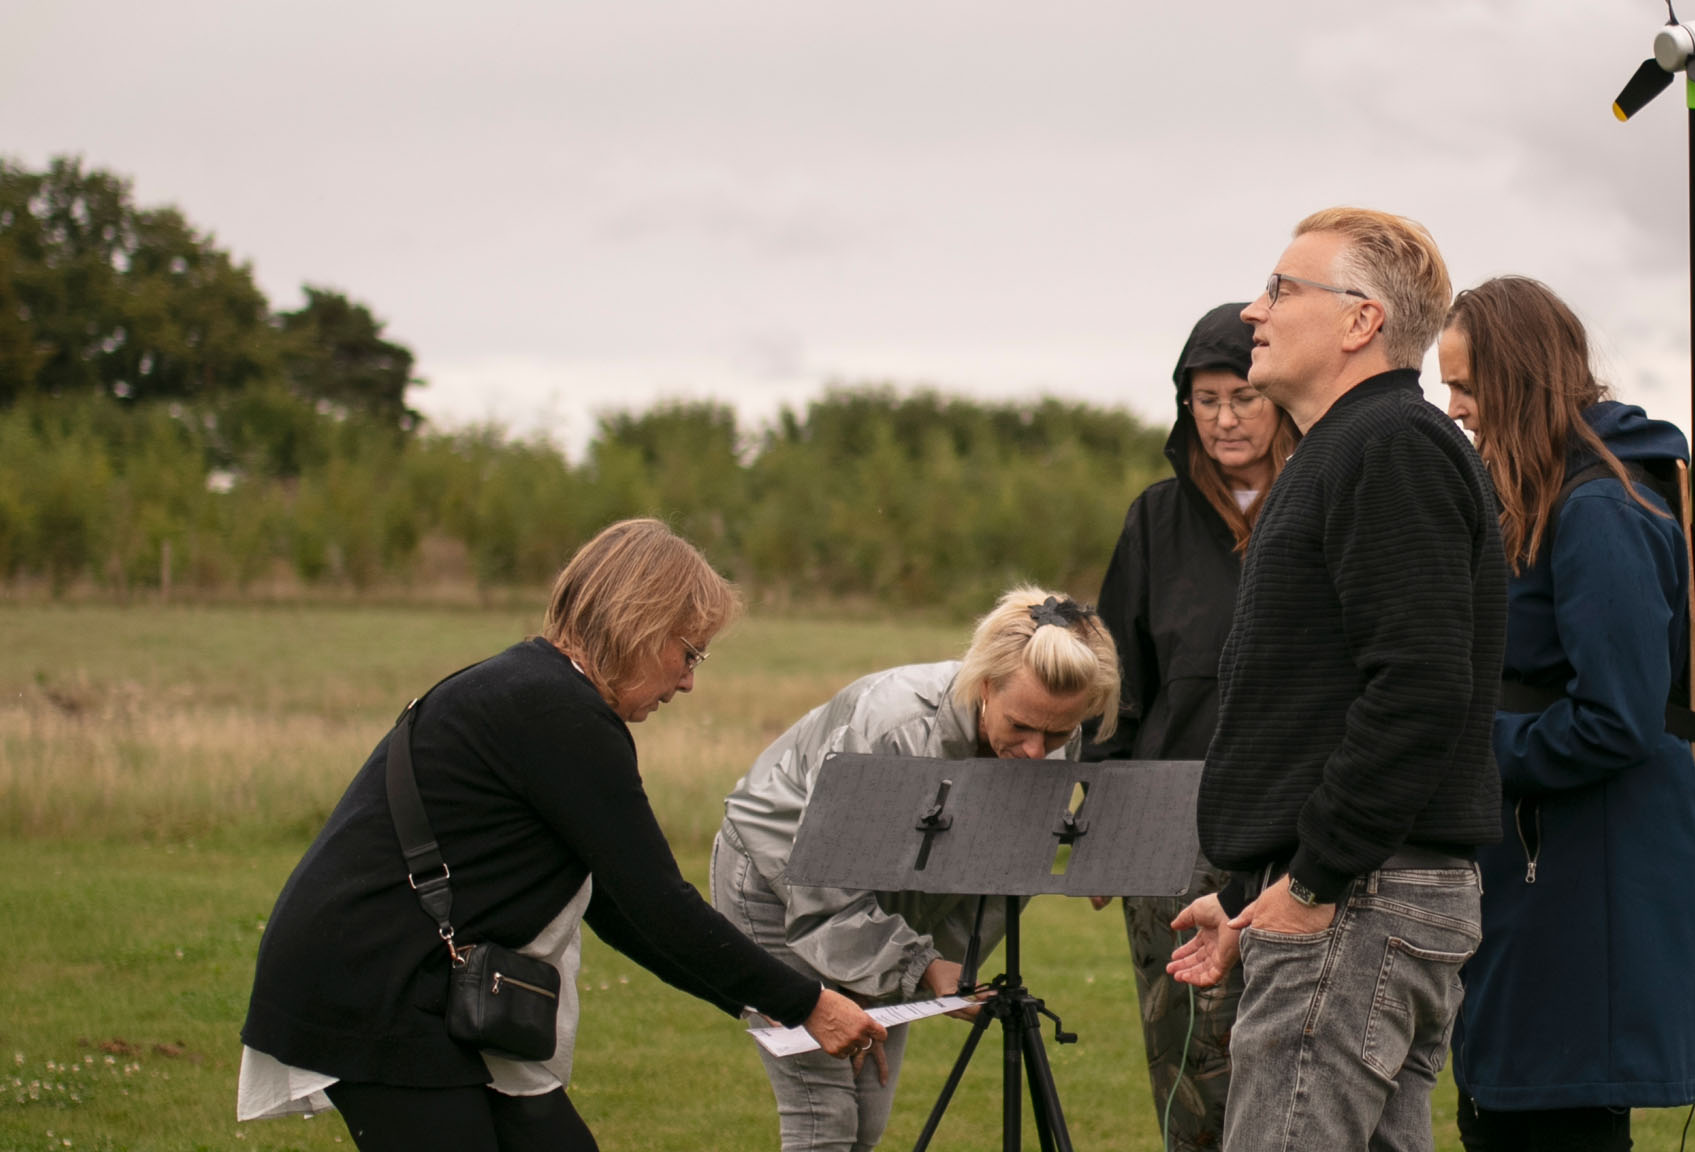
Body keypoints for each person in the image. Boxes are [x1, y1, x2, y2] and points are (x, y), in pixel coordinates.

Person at [238, 519, 885, 1151]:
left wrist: (758, 998)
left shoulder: (543, 693)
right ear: (643, 623)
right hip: (372, 985)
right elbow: (659, 904)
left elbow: (620, 910)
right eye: (688, 653)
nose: (688, 680)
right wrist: (807, 1003)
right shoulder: (560, 714)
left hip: (415, 980)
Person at [1163, 207, 1507, 1152]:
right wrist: (1253, 894)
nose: (1253, 310)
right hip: (1354, 895)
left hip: (1361, 902)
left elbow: (1420, 688)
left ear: (1360, 321)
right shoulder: (1346, 450)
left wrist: (1312, 882)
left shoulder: (1391, 445)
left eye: (1281, 289)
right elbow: (1320, 706)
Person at [1438, 276, 1695, 1151]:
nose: (1454, 409)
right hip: (1534, 868)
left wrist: (1469, 753)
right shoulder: (1543, 493)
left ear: (1518, 380)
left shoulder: (1601, 510)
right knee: (1500, 1108)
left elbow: (1618, 719)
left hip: (1588, 882)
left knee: (1552, 1124)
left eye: (1467, 388)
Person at [711, 585, 1122, 1152]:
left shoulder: (1049, 743)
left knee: (867, 1120)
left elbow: (999, 870)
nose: (1036, 752)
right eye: (1021, 726)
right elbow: (823, 891)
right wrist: (923, 966)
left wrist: (950, 965)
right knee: (824, 1118)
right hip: (775, 886)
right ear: (983, 685)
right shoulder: (893, 729)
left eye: (1058, 733)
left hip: (881, 907)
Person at [1083, 301, 1299, 1150]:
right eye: (1203, 400)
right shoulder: (1154, 520)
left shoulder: (1319, 504)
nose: (1223, 418)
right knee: (1187, 1069)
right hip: (1166, 828)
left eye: (1242, 396)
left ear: (1279, 395)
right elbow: (1115, 685)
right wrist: (1103, 831)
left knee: (1282, 1054)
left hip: (1287, 831)